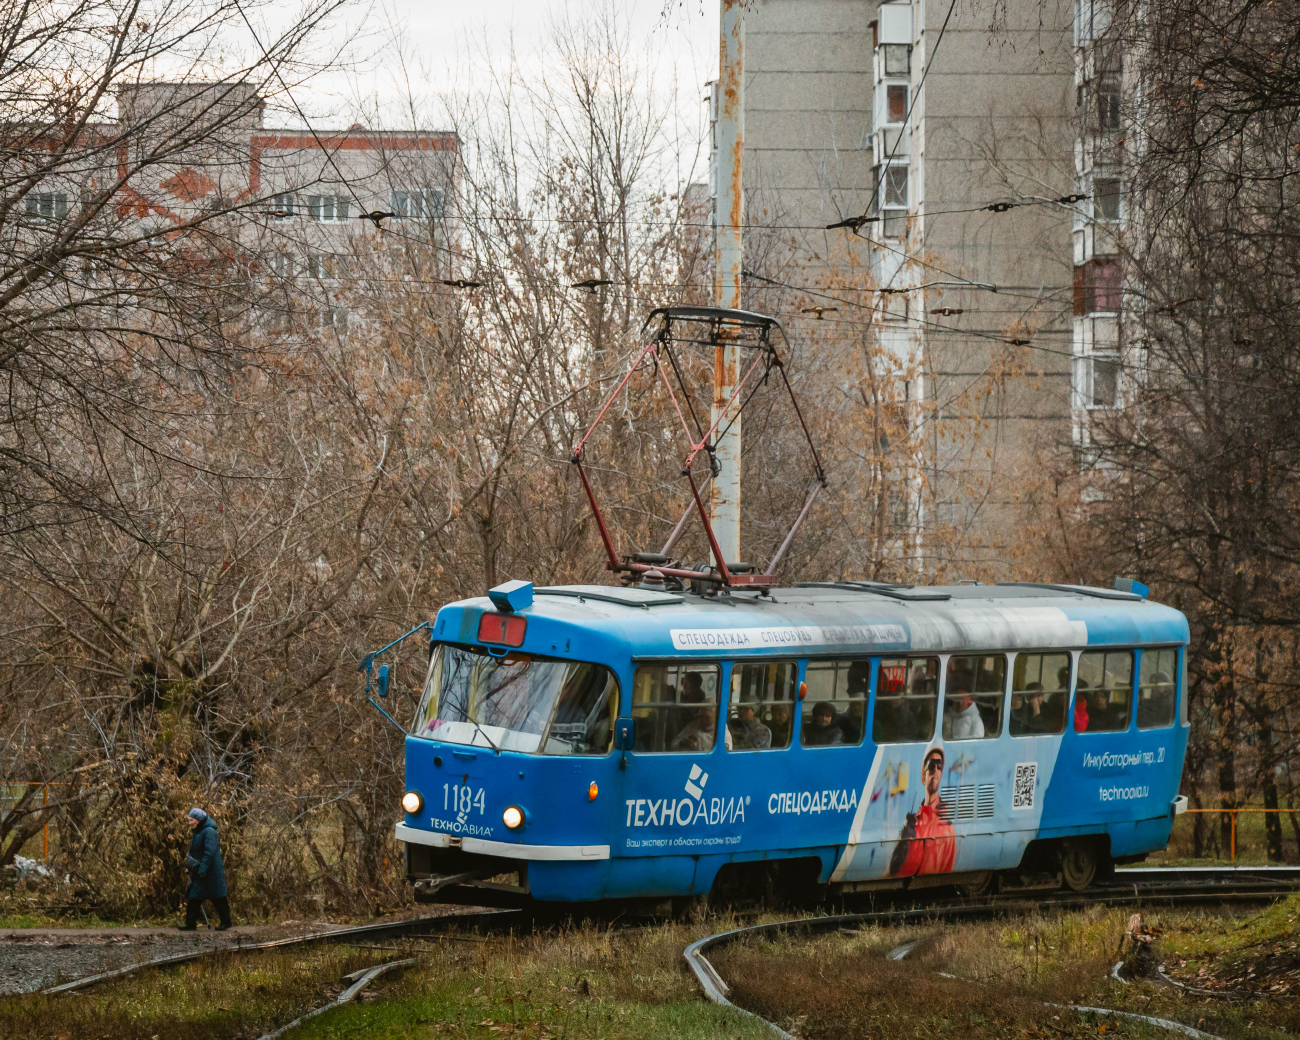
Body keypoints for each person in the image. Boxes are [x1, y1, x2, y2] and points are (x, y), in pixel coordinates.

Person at [888, 747, 956, 877]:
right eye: (931, 765)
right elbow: (893, 870)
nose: (935, 769)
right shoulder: (910, 823)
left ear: (941, 774)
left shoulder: (947, 825)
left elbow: (948, 870)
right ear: (923, 776)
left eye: (939, 765)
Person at [180, 808, 231, 931]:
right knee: (194, 896)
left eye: (191, 820)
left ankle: (226, 922)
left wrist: (203, 869)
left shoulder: (209, 832)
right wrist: (190, 867)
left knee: (218, 897)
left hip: (211, 872)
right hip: (199, 870)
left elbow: (210, 853)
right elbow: (194, 852)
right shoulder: (198, 832)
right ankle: (190, 923)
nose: (189, 822)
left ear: (198, 820)